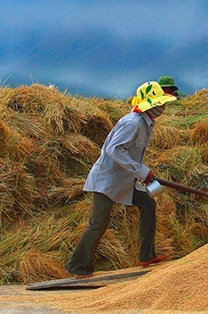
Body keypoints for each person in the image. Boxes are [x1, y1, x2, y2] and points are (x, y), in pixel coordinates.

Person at [65, 81, 177, 279]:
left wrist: (141, 173)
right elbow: (115, 150)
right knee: (98, 222)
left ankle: (147, 256)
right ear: (149, 105)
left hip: (124, 180)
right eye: (159, 103)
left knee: (148, 203)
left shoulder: (145, 123)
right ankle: (78, 266)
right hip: (107, 180)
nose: (163, 107)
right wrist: (141, 171)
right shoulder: (132, 123)